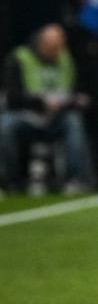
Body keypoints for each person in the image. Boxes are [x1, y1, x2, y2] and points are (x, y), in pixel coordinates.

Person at [0, 24, 92, 193]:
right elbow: (12, 99)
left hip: (56, 119)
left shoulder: (65, 59)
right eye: (53, 48)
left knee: (74, 121)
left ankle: (76, 180)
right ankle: (9, 182)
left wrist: (76, 100)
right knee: (5, 126)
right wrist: (41, 102)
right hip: (26, 117)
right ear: (41, 44)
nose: (57, 52)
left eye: (60, 48)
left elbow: (76, 90)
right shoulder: (20, 58)